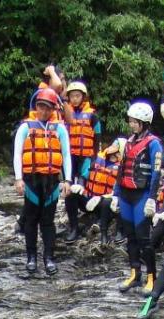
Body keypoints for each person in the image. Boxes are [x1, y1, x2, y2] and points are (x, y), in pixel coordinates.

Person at [13, 88, 72, 276]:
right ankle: (31, 257)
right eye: (41, 107)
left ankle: (49, 258)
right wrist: (18, 178)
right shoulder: (25, 127)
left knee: (48, 221)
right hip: (31, 180)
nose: (44, 111)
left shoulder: (59, 128)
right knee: (30, 220)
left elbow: (66, 155)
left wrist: (68, 180)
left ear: (53, 109)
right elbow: (17, 154)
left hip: (52, 181)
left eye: (48, 108)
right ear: (35, 106)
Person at [113, 101, 164, 294]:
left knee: (144, 238)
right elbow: (121, 170)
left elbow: (157, 173)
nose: (131, 124)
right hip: (126, 194)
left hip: (141, 195)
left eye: (135, 122)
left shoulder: (154, 144)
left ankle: (152, 276)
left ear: (144, 123)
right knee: (130, 236)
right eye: (131, 121)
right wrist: (116, 195)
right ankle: (135, 273)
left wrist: (152, 198)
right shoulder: (129, 142)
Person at [64, 81, 102, 241]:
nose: (74, 99)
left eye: (77, 96)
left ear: (83, 97)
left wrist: (95, 159)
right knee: (69, 191)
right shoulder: (66, 114)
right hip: (70, 158)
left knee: (80, 186)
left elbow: (97, 139)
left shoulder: (92, 116)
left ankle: (94, 213)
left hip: (86, 158)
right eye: (72, 96)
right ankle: (74, 226)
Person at [79, 138, 125, 246]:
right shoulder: (97, 159)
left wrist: (105, 197)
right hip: (89, 198)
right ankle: (74, 228)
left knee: (106, 203)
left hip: (105, 200)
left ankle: (103, 232)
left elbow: (119, 190)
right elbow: (83, 176)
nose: (111, 148)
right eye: (112, 145)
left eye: (116, 147)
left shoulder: (122, 167)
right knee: (71, 194)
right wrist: (80, 186)